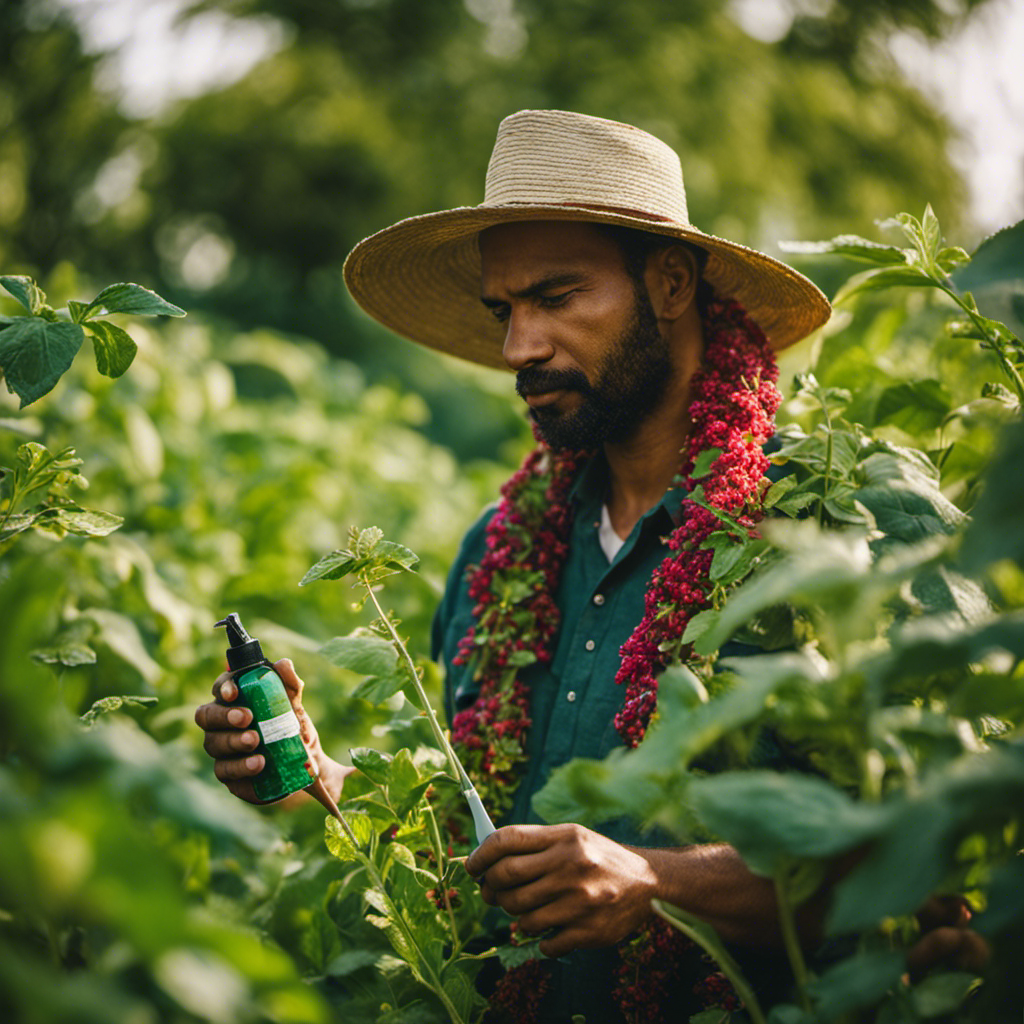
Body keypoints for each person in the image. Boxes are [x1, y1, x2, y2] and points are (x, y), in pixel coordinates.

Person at [196, 111, 977, 1021]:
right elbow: (478, 838)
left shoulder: (838, 530)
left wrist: (658, 879)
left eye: (557, 296)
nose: (518, 348)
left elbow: (931, 875)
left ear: (672, 283)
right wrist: (319, 780)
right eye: (504, 310)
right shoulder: (499, 552)